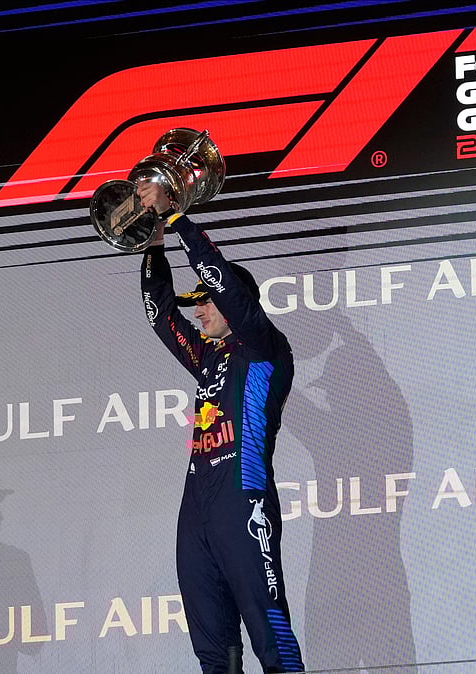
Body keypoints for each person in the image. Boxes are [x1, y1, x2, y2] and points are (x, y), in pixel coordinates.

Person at [136, 181, 303, 674]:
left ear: (238, 305)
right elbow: (159, 314)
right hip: (198, 510)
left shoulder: (264, 346)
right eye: (199, 303)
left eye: (206, 301)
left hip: (242, 499)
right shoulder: (209, 357)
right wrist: (153, 242)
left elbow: (224, 285)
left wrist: (177, 219)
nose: (200, 309)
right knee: (213, 652)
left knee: (268, 632)